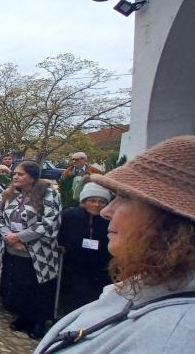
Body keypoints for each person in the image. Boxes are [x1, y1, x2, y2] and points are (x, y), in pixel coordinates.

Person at [36, 135, 195, 354]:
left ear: (172, 224)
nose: (106, 211)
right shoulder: (152, 291)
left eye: (124, 198)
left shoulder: (175, 337)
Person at [0, 161, 61, 339]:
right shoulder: (8, 194)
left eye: (20, 174)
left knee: (36, 288)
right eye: (14, 173)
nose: (15, 177)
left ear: (32, 177)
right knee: (18, 285)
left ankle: (37, 322)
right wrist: (9, 236)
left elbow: (50, 223)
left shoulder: (49, 194)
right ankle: (22, 316)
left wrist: (20, 237)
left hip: (38, 253)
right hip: (12, 249)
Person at [56, 182, 112, 314]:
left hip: (98, 267)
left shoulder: (109, 219)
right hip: (72, 264)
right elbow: (60, 234)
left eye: (101, 202)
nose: (96, 205)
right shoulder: (69, 215)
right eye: (92, 201)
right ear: (84, 201)